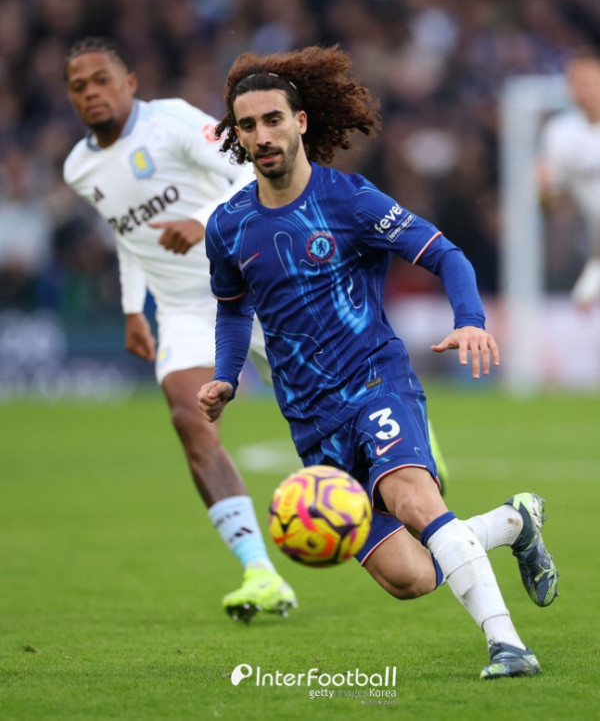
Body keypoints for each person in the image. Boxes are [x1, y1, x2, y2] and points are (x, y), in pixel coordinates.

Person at [196, 45, 559, 678]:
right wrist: (225, 376)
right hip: (311, 421)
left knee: (414, 499)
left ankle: (508, 646)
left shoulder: (349, 200)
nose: (262, 136)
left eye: (273, 120)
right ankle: (512, 522)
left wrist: (470, 321)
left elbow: (446, 255)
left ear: (300, 122)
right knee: (409, 577)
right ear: (237, 135)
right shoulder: (228, 226)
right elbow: (231, 310)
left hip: (375, 383)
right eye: (248, 125)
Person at [62, 36, 297, 622]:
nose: (91, 92)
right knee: (191, 419)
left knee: (330, 411)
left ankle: (410, 457)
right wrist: (132, 307)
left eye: (101, 79)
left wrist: (199, 219)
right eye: (78, 86)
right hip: (185, 310)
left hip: (257, 284)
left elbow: (249, 173)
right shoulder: (78, 168)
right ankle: (260, 572)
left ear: (130, 82)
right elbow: (128, 231)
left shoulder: (170, 123)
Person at [538, 52, 600, 311]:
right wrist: (543, 190)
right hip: (589, 234)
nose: (584, 91)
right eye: (577, 84)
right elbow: (550, 205)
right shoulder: (560, 133)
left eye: (589, 83)